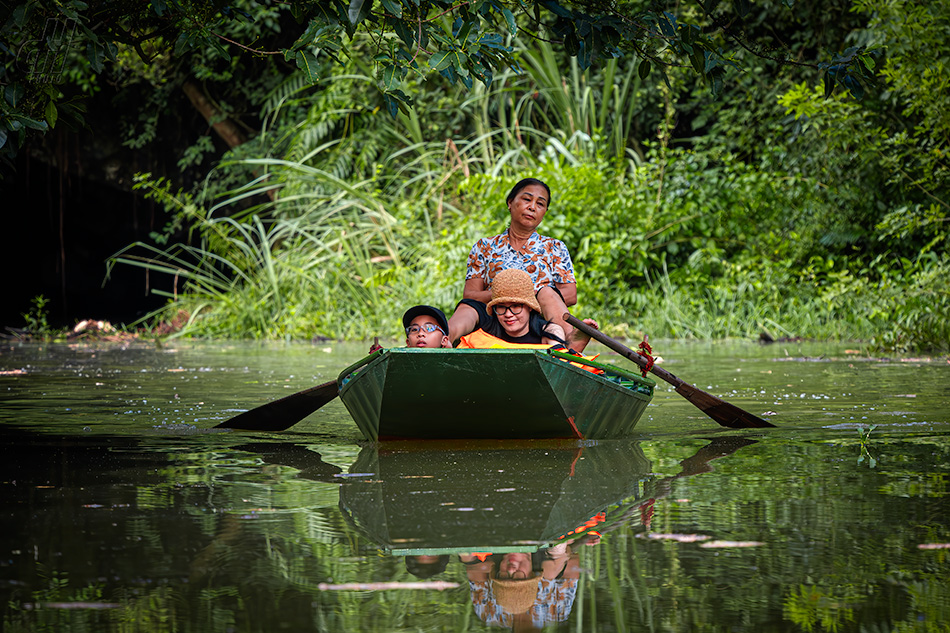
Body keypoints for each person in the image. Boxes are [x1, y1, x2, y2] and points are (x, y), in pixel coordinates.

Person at [450, 177, 577, 343]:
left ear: (545, 211)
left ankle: (572, 350)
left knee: (547, 293)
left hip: (537, 319)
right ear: (510, 203)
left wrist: (527, 295)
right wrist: (503, 295)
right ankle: (442, 341)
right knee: (467, 307)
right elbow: (471, 294)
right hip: (495, 316)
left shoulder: (554, 247)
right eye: (526, 199)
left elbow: (571, 294)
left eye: (540, 204)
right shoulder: (485, 246)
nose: (532, 207)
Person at [454, 268, 569, 348]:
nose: (508, 314)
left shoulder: (549, 331)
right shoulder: (483, 336)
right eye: (501, 307)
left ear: (530, 307)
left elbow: (560, 366)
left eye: (515, 306)